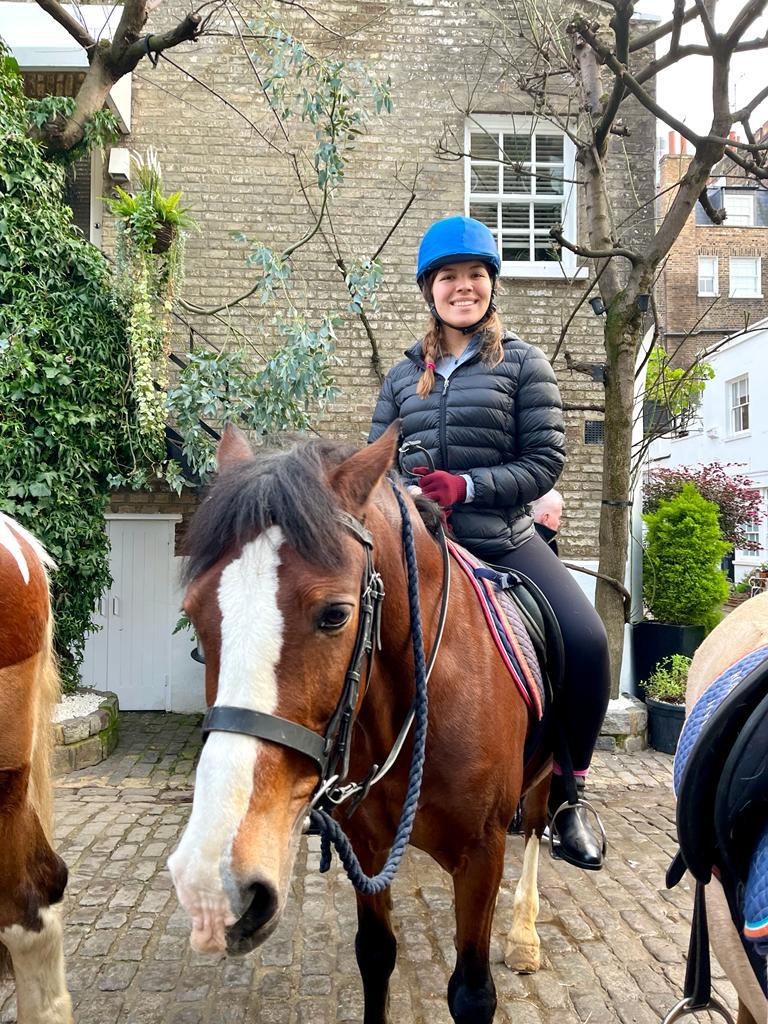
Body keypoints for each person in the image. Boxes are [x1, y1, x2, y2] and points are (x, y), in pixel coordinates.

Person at [368, 215, 610, 871]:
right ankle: (345, 781)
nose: (463, 287)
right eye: (450, 277)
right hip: (422, 552)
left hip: (502, 543)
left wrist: (467, 488)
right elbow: (377, 466)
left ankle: (568, 795)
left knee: (587, 643)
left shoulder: (524, 364)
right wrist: (407, 496)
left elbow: (545, 460)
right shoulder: (401, 377)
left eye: (475, 275)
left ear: (490, 286)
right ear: (431, 289)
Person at [532, 489, 563, 556]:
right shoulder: (540, 552)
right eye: (558, 518)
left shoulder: (520, 539)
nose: (559, 523)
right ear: (546, 518)